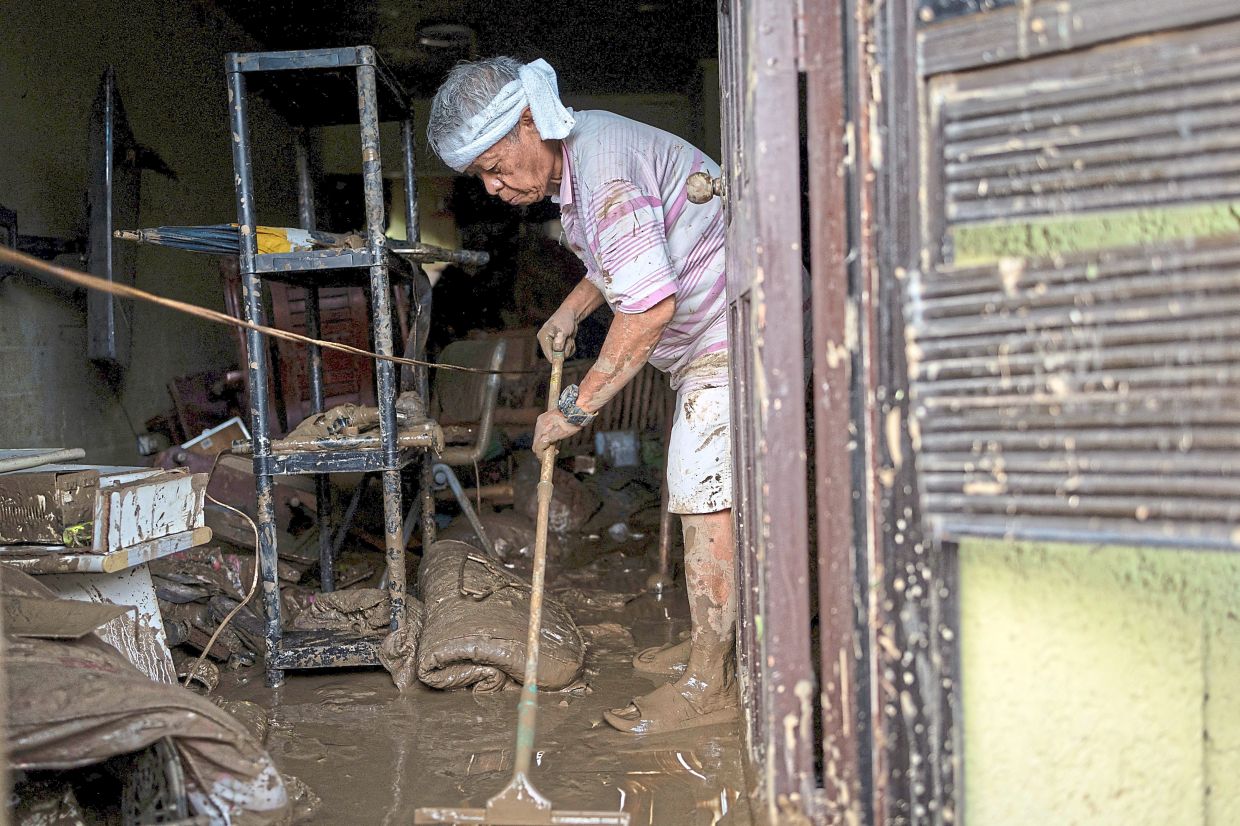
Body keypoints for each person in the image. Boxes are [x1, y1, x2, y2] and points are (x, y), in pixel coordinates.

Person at [428, 56, 736, 734]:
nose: (493, 185)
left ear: (530, 122)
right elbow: (617, 258)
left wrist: (572, 410)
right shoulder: (582, 161)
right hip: (710, 336)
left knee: (703, 494)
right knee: (697, 498)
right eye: (481, 174)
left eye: (494, 164)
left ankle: (709, 684)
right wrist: (569, 310)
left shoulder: (601, 172)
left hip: (735, 331)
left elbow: (649, 307)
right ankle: (713, 644)